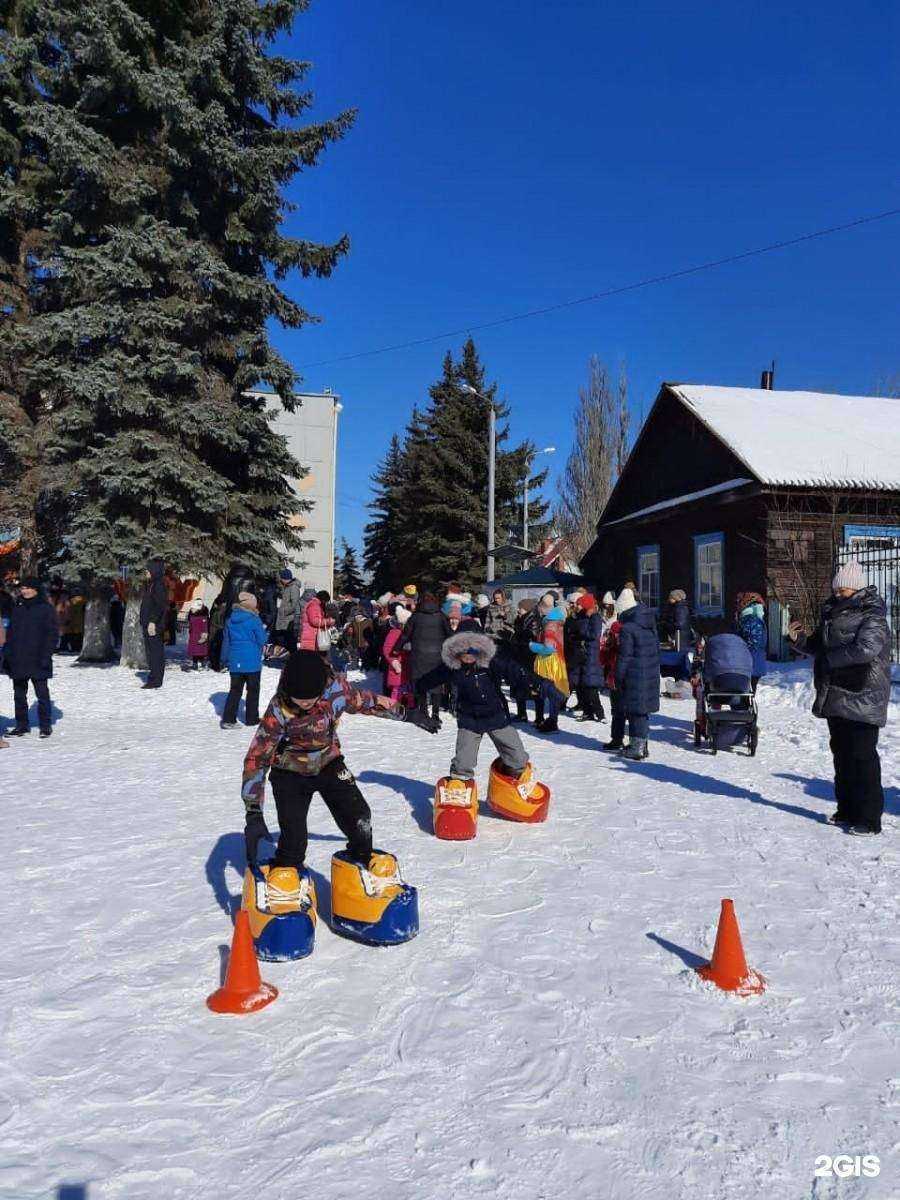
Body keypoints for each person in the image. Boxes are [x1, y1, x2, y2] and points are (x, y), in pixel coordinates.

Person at [240, 650, 439, 871]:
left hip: (328, 763)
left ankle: (359, 864)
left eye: (310, 698)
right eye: (299, 699)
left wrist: (407, 714)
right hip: (289, 772)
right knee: (294, 842)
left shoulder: (336, 690)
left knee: (360, 819)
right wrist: (253, 812)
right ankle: (286, 878)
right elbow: (257, 757)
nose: (305, 704)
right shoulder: (279, 708)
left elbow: (368, 701)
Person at [789, 561, 890, 836]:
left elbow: (866, 649)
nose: (838, 594)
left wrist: (829, 660)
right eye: (836, 589)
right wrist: (798, 640)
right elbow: (820, 646)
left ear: (856, 588)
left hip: (863, 693)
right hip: (837, 692)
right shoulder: (832, 614)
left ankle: (869, 819)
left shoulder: (873, 615)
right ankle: (847, 810)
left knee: (862, 757)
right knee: (842, 755)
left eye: (843, 589)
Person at [416, 632, 558, 785]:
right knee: (463, 761)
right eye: (464, 651)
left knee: (517, 756)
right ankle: (460, 785)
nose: (469, 655)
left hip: (496, 715)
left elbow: (516, 670)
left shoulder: (492, 662)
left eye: (473, 651)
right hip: (469, 719)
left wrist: (540, 683)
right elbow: (428, 680)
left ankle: (515, 780)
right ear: (457, 652)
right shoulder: (451, 668)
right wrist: (415, 689)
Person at [608, 587, 660, 760]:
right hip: (649, 672)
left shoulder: (628, 629)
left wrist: (618, 676)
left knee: (635, 711)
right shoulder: (648, 623)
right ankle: (642, 745)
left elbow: (625, 656)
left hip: (634, 674)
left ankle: (636, 748)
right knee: (642, 711)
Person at [4, 577, 58, 737]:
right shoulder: (17, 607)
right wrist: (8, 653)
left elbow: (52, 634)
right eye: (22, 588)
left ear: (36, 589)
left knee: (42, 694)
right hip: (18, 657)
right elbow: (11, 632)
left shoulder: (45, 608)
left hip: (38, 657)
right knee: (19, 694)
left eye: (28, 588)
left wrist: (46, 655)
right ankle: (22, 725)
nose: (24, 591)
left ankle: (45, 726)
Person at [220, 592, 269, 728]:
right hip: (252, 661)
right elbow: (262, 639)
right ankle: (251, 718)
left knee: (235, 690)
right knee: (253, 690)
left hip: (235, 661)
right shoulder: (254, 619)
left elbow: (226, 642)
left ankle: (228, 719)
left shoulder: (230, 620)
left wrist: (224, 660)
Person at [400, 593, 451, 720]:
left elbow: (406, 635)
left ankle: (423, 711)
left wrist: (396, 648)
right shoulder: (441, 616)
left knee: (420, 683)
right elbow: (450, 634)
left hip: (418, 655)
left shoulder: (415, 617)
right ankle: (435, 714)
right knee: (436, 684)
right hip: (437, 656)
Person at [530, 605, 569, 733]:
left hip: (548, 663)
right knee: (554, 689)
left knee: (550, 690)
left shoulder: (550, 626)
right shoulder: (559, 625)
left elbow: (548, 648)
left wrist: (532, 646)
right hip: (558, 661)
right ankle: (552, 720)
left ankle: (552, 722)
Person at [571, 593, 606, 722]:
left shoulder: (595, 618)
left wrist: (580, 631)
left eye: (579, 604)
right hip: (582, 655)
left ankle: (600, 713)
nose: (577, 606)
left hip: (591, 655)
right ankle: (587, 712)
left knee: (590, 687)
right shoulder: (582, 617)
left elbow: (594, 634)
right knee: (581, 686)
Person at [510, 597, 543, 722]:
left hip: (530, 657)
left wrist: (518, 637)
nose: (518, 610)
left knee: (534, 687)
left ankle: (539, 717)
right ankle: (521, 713)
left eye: (521, 608)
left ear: (527, 608)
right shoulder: (520, 619)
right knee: (519, 685)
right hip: (520, 656)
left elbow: (531, 637)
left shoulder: (533, 619)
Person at [139, 558, 168, 689]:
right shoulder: (151, 584)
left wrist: (152, 621)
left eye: (148, 570)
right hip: (148, 623)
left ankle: (155, 680)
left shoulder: (158, 585)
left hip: (154, 625)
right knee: (151, 652)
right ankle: (153, 677)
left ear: (154, 570)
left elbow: (159, 605)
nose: (146, 572)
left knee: (155, 652)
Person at [735, 591, 767, 691]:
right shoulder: (757, 618)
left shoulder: (750, 619)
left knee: (745, 692)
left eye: (738, 602)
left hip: (749, 662)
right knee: (749, 692)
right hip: (756, 661)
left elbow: (752, 642)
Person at [382, 605, 413, 703]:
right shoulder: (394, 633)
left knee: (409, 689)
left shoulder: (409, 634)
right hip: (398, 666)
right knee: (397, 689)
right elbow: (387, 649)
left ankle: (410, 707)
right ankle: (393, 706)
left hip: (407, 665)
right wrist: (394, 662)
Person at [272, 569, 304, 650]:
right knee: (285, 640)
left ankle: (292, 659)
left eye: (281, 578)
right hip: (284, 619)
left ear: (285, 578)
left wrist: (283, 611)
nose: (280, 580)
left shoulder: (293, 587)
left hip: (288, 620)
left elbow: (294, 604)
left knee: (290, 641)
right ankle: (286, 657)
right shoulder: (287, 587)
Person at [299, 588, 330, 653]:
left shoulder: (315, 605)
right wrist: (328, 621)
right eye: (326, 601)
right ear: (323, 599)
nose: (326, 604)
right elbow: (315, 621)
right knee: (310, 656)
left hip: (312, 635)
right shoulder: (314, 605)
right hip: (310, 636)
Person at [186, 598, 210, 669]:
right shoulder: (204, 615)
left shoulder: (193, 615)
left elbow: (190, 622)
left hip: (195, 634)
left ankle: (195, 663)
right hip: (199, 634)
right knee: (201, 649)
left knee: (196, 650)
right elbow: (206, 624)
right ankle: (201, 662)